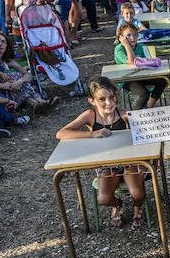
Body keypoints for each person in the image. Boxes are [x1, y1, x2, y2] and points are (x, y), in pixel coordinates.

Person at [56, 76, 147, 228]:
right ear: (92, 101)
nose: (108, 103)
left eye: (112, 97)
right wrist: (91, 134)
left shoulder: (124, 114)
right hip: (106, 164)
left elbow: (147, 129)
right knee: (103, 198)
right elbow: (61, 133)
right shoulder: (90, 116)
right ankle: (117, 204)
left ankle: (138, 207)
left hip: (128, 162)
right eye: (102, 99)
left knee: (137, 192)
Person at [114, 23, 166, 109]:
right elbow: (131, 62)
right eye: (128, 35)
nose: (132, 38)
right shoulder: (119, 49)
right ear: (121, 37)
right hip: (126, 79)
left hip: (139, 75)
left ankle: (149, 106)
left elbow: (143, 63)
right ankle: (134, 116)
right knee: (144, 93)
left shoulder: (139, 47)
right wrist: (126, 45)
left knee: (162, 80)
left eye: (135, 34)